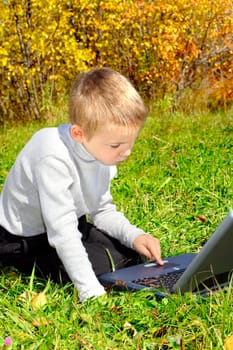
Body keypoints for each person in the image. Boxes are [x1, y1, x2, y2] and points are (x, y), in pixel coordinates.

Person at [0, 67, 163, 302]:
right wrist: (91, 292)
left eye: (130, 142)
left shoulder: (99, 149)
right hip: (26, 241)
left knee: (132, 253)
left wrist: (135, 236)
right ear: (79, 134)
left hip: (73, 223)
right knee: (105, 265)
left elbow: (102, 210)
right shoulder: (52, 155)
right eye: (116, 145)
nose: (126, 152)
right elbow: (63, 233)